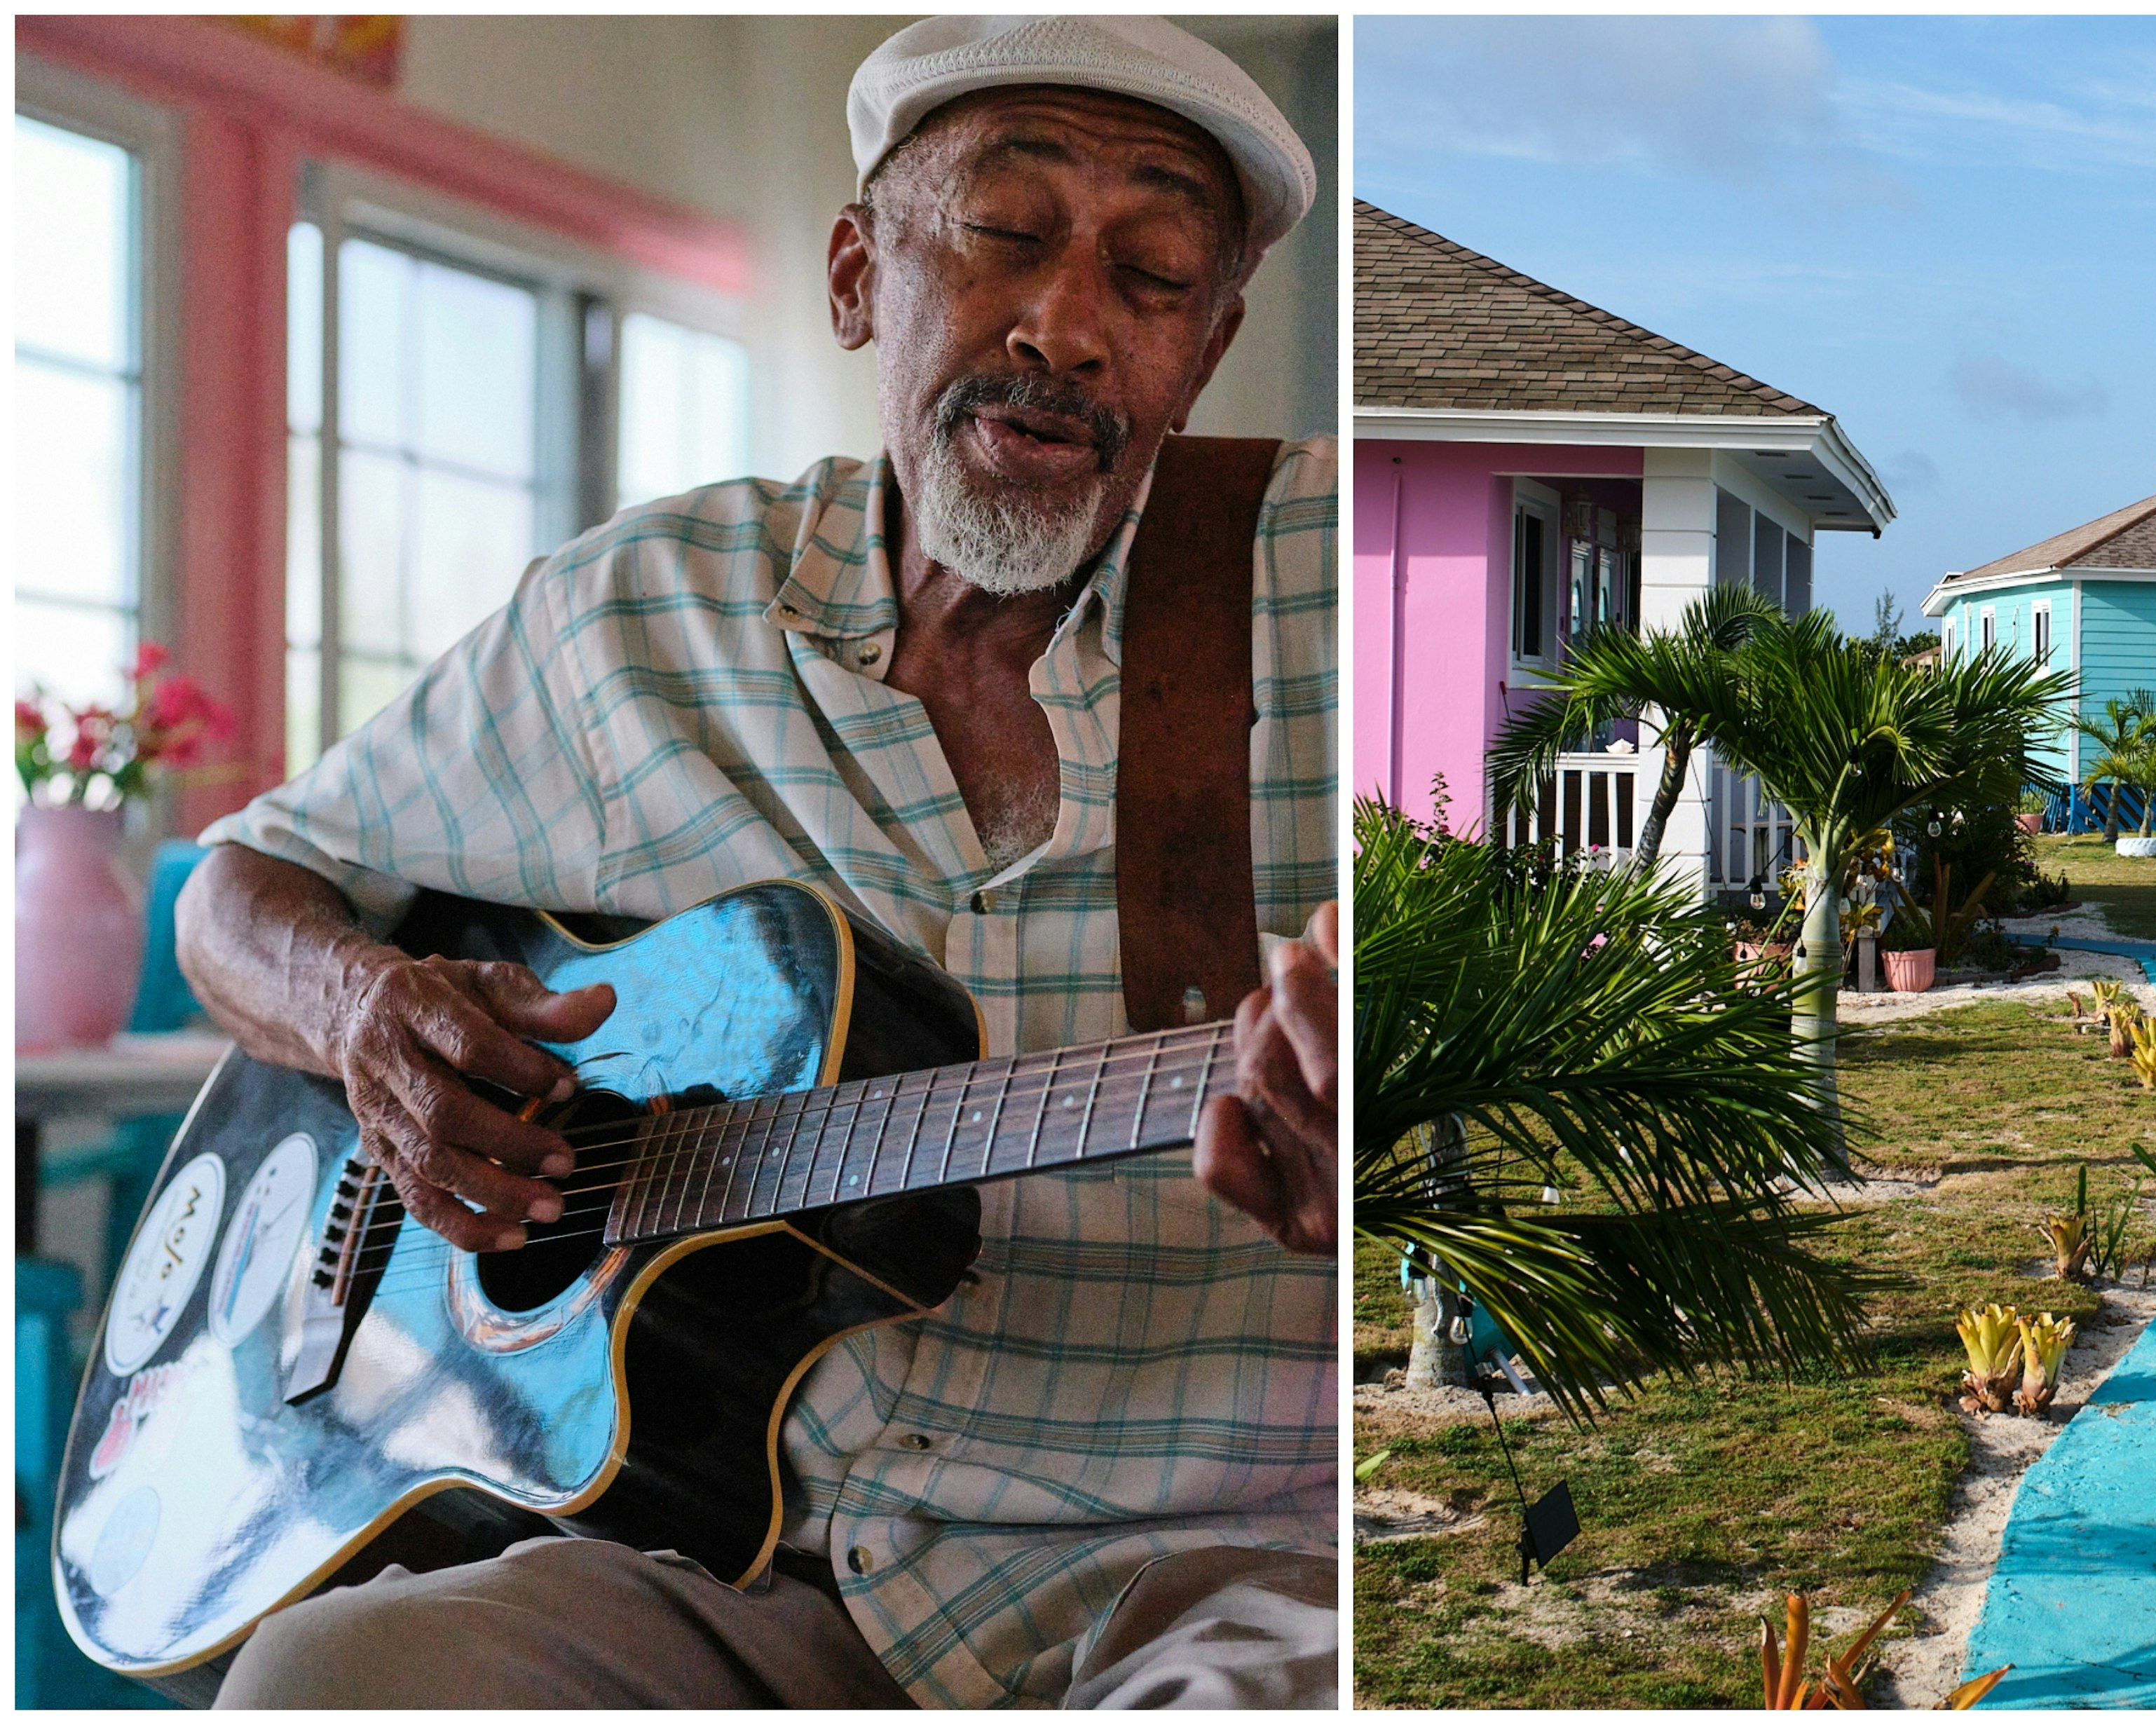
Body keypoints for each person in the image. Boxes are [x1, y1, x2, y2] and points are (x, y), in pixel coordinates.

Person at [178, 16, 1337, 1708]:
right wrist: (362, 1010)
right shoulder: (637, 616)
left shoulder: (1335, 576)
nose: (1070, 328)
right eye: (1005, 235)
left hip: (1222, 1576)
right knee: (326, 1683)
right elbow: (239, 888)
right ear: (860, 272)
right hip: (739, 1563)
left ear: (1212, 342)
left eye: (1153, 275)